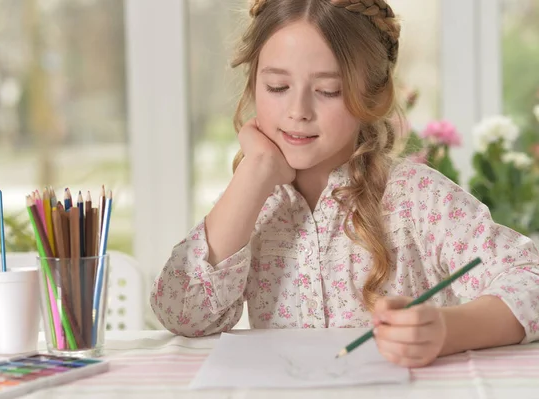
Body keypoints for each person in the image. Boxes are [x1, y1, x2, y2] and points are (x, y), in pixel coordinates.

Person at [150, 0, 539, 368]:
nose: (298, 111)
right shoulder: (252, 202)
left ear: (373, 95)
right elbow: (181, 312)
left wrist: (447, 329)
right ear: (253, 85)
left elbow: (530, 277)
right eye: (277, 87)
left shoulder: (416, 198)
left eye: (328, 91)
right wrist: (256, 170)